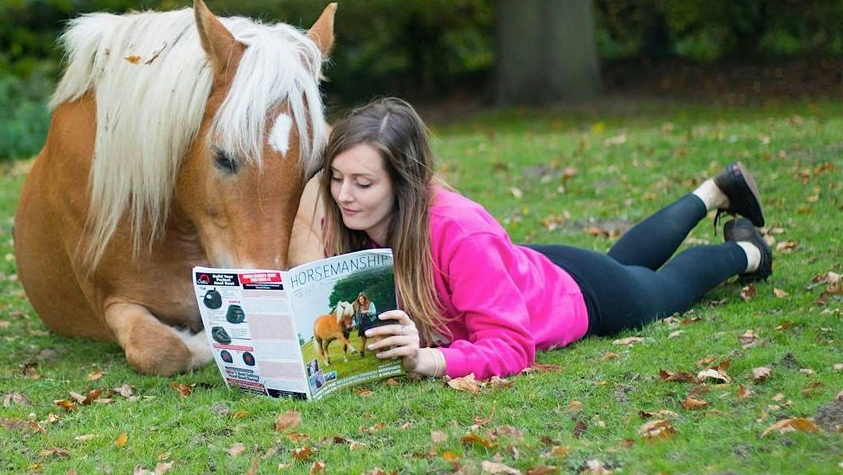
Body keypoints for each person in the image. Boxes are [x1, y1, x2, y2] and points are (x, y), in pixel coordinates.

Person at [309, 97, 772, 381]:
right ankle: (714, 193)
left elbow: (512, 347)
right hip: (524, 270)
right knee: (625, 265)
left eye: (363, 183)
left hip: (578, 296)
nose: (344, 195)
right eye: (335, 178)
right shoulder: (345, 223)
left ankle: (748, 252)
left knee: (661, 292)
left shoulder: (460, 231)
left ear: (404, 183)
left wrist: (430, 361)